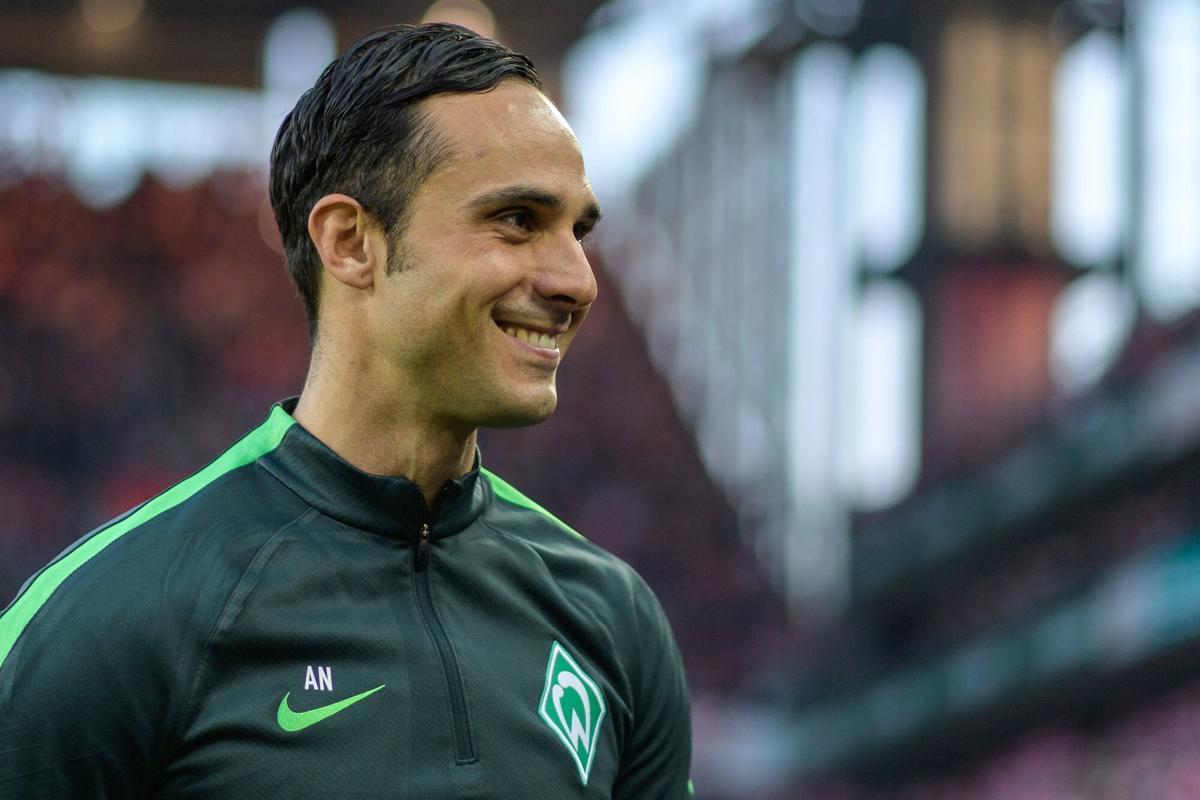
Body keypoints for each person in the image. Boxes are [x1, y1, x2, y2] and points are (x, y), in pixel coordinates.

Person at [0, 23, 692, 798]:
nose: (579, 279)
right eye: (518, 221)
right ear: (350, 242)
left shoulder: (614, 617)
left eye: (578, 230)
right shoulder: (110, 619)